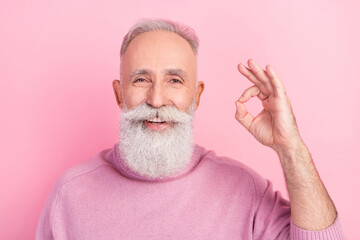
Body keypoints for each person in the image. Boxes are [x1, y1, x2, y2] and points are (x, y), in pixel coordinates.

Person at [36, 19, 344, 239]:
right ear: (120, 94)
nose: (157, 100)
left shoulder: (244, 190)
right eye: (141, 79)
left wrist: (290, 148)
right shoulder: (70, 195)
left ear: (196, 96)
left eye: (174, 80)